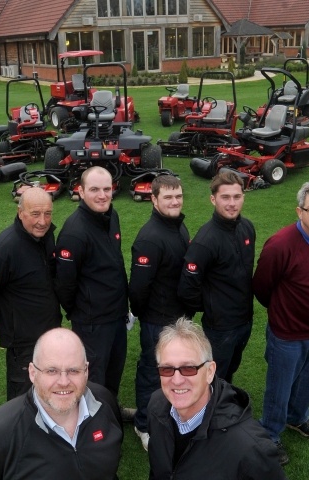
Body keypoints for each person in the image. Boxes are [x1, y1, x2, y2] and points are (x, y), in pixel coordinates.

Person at [253, 181, 309, 466]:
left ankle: (297, 418)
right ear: (299, 211)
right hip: (287, 334)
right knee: (279, 387)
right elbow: (262, 287)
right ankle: (270, 434)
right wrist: (283, 313)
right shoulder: (280, 245)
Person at [0, 327, 123, 480]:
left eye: (73, 370)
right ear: (32, 373)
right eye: (51, 371)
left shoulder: (104, 402)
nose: (64, 382)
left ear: (86, 371)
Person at [147, 317, 287, 480]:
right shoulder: (156, 406)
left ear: (210, 371)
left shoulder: (250, 447)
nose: (177, 380)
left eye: (189, 368)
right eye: (167, 369)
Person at [0, 187, 61, 400]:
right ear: (20, 213)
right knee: (23, 397)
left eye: (47, 213)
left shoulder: (46, 237)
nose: (42, 221)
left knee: (50, 388)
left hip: (49, 332)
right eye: (35, 214)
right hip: (23, 342)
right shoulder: (3, 249)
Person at [55, 166, 129, 400]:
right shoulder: (74, 232)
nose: (102, 195)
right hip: (93, 322)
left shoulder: (111, 216)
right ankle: (94, 429)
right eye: (95, 189)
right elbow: (65, 285)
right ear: (81, 191)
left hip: (116, 316)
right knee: (94, 379)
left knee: (113, 372)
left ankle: (110, 414)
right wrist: (83, 311)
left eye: (107, 189)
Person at [129, 174, 190, 450]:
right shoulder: (150, 238)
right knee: (152, 373)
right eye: (168, 197)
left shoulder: (179, 226)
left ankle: (170, 414)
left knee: (175, 372)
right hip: (157, 321)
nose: (174, 201)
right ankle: (143, 424)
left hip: (178, 318)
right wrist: (143, 315)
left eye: (178, 196)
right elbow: (139, 288)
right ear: (154, 200)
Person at [178, 170, 256, 383]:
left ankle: (224, 405)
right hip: (220, 326)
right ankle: (212, 413)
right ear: (213, 199)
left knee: (230, 370)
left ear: (243, 197)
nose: (232, 203)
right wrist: (211, 307)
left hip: (245, 319)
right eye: (225, 197)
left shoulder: (247, 228)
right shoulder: (206, 240)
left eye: (237, 197)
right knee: (214, 377)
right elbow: (187, 286)